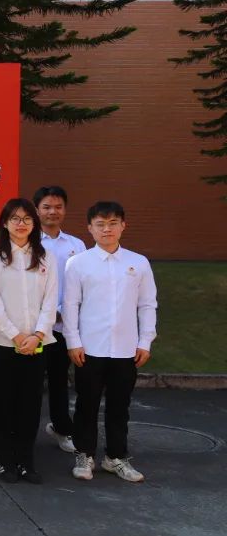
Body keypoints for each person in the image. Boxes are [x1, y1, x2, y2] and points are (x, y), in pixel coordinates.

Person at [64, 201, 157, 483]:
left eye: (113, 223)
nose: (107, 229)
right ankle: (84, 453)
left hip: (126, 349)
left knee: (119, 405)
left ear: (123, 226)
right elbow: (71, 305)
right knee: (87, 404)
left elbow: (147, 304)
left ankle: (116, 457)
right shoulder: (78, 263)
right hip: (89, 347)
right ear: (90, 228)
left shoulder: (138, 262)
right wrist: (73, 341)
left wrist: (145, 341)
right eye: (100, 224)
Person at [0, 199, 58, 485]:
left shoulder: (46, 257)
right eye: (15, 218)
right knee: (2, 403)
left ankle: (26, 461)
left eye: (26, 218)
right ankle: (4, 461)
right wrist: (15, 335)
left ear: (34, 223)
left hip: (37, 343)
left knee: (30, 404)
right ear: (5, 223)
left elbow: (50, 301)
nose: (21, 223)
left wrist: (37, 334)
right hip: (3, 343)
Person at [34, 185, 85, 453]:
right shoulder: (28, 242)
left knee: (59, 379)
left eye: (58, 207)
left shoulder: (76, 245)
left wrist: (64, 311)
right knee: (31, 382)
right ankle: (24, 432)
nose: (52, 212)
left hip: (64, 325)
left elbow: (83, 284)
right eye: (46, 207)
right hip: (33, 328)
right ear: (37, 210)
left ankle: (62, 428)